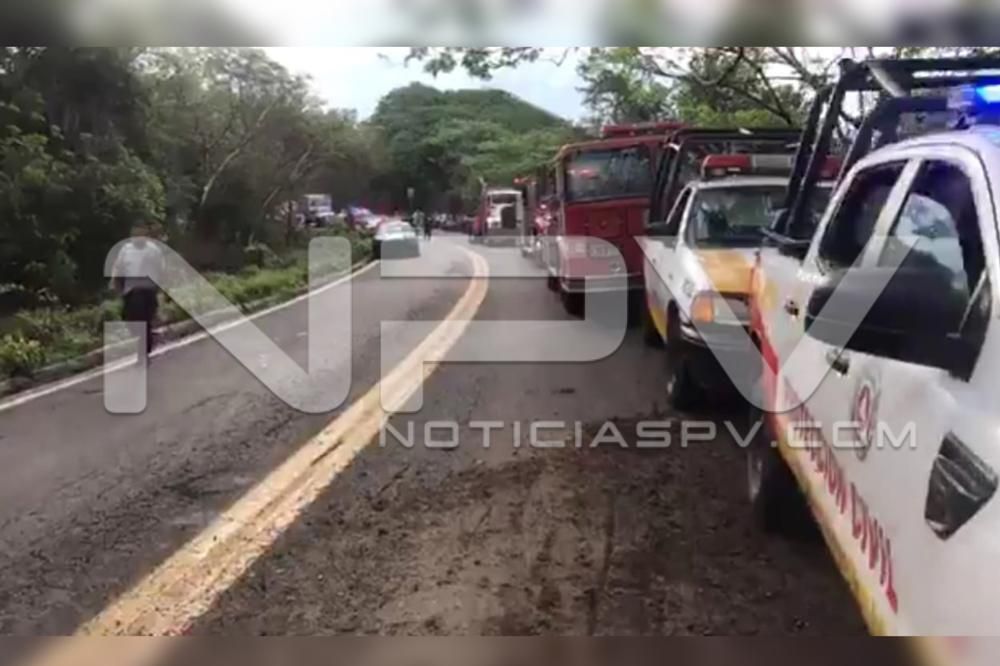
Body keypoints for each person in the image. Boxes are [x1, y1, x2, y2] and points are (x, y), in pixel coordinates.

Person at [112, 229, 166, 363]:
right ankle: (149, 339)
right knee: (129, 319)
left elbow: (161, 269)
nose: (138, 239)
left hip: (148, 290)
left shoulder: (153, 250)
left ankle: (143, 354)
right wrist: (116, 284)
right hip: (131, 291)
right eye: (135, 237)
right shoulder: (126, 250)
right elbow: (119, 268)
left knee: (145, 321)